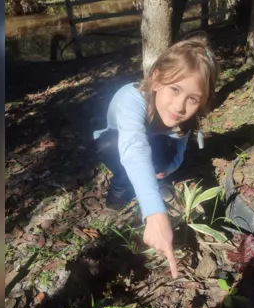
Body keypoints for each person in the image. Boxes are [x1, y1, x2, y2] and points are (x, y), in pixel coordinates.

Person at [93, 36, 219, 278]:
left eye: (193, 99)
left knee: (156, 157)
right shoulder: (132, 99)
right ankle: (119, 190)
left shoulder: (184, 121)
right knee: (118, 153)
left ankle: (154, 181)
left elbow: (179, 153)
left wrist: (167, 170)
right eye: (175, 89)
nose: (180, 107)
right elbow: (133, 147)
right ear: (156, 78)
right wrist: (154, 211)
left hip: (154, 149)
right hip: (118, 143)